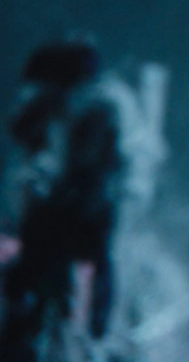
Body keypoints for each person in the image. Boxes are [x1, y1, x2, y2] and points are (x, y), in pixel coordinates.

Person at [1, 40, 121, 362]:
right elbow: (23, 135)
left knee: (77, 286)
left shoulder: (97, 110)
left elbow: (91, 170)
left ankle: (91, 338)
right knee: (32, 291)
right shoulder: (51, 108)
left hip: (79, 218)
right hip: (57, 220)